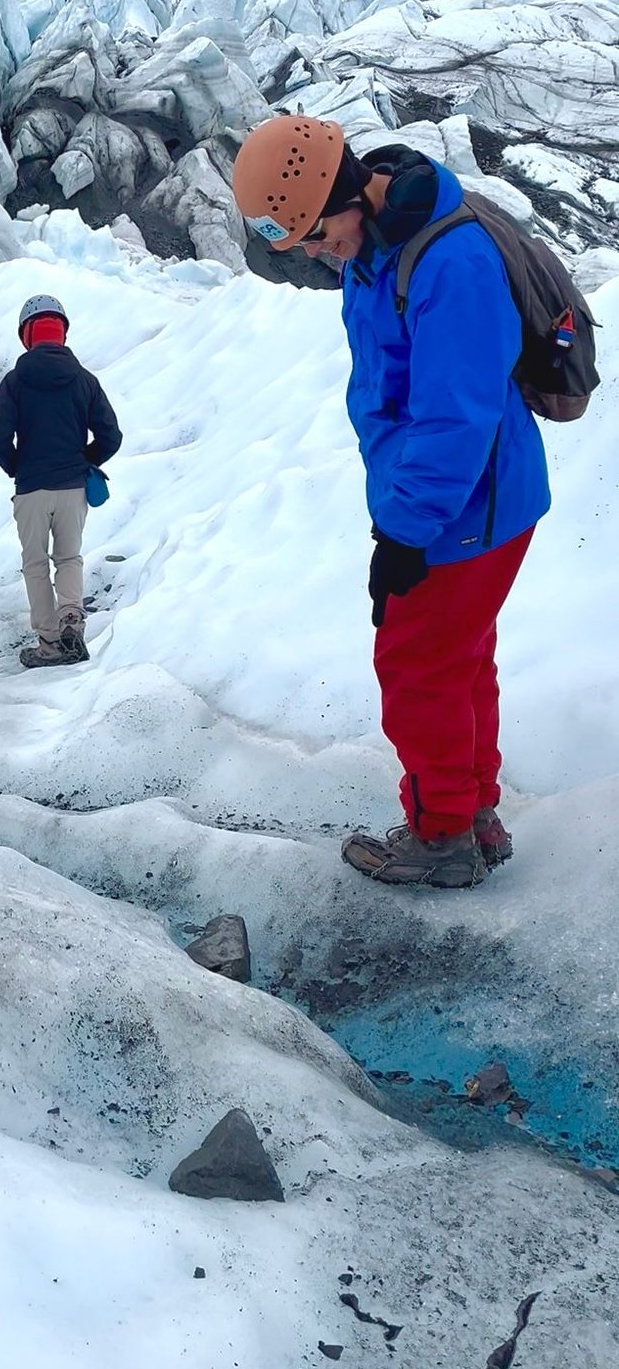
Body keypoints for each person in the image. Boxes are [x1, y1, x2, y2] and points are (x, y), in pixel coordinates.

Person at [232, 114, 550, 889]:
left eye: (312, 234)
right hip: (461, 501)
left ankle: (440, 837)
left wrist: (404, 533)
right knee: (460, 658)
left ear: (347, 194)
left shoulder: (451, 263)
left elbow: (455, 418)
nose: (313, 253)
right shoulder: (374, 244)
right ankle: (472, 813)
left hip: (464, 506)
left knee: (414, 666)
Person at [0, 294, 122, 669]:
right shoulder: (85, 381)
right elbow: (111, 436)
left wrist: (18, 467)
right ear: (62, 332)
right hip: (72, 487)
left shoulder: (14, 382)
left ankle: (49, 644)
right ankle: (71, 624)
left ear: (26, 335)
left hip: (31, 488)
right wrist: (82, 462)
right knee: (69, 557)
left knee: (35, 563)